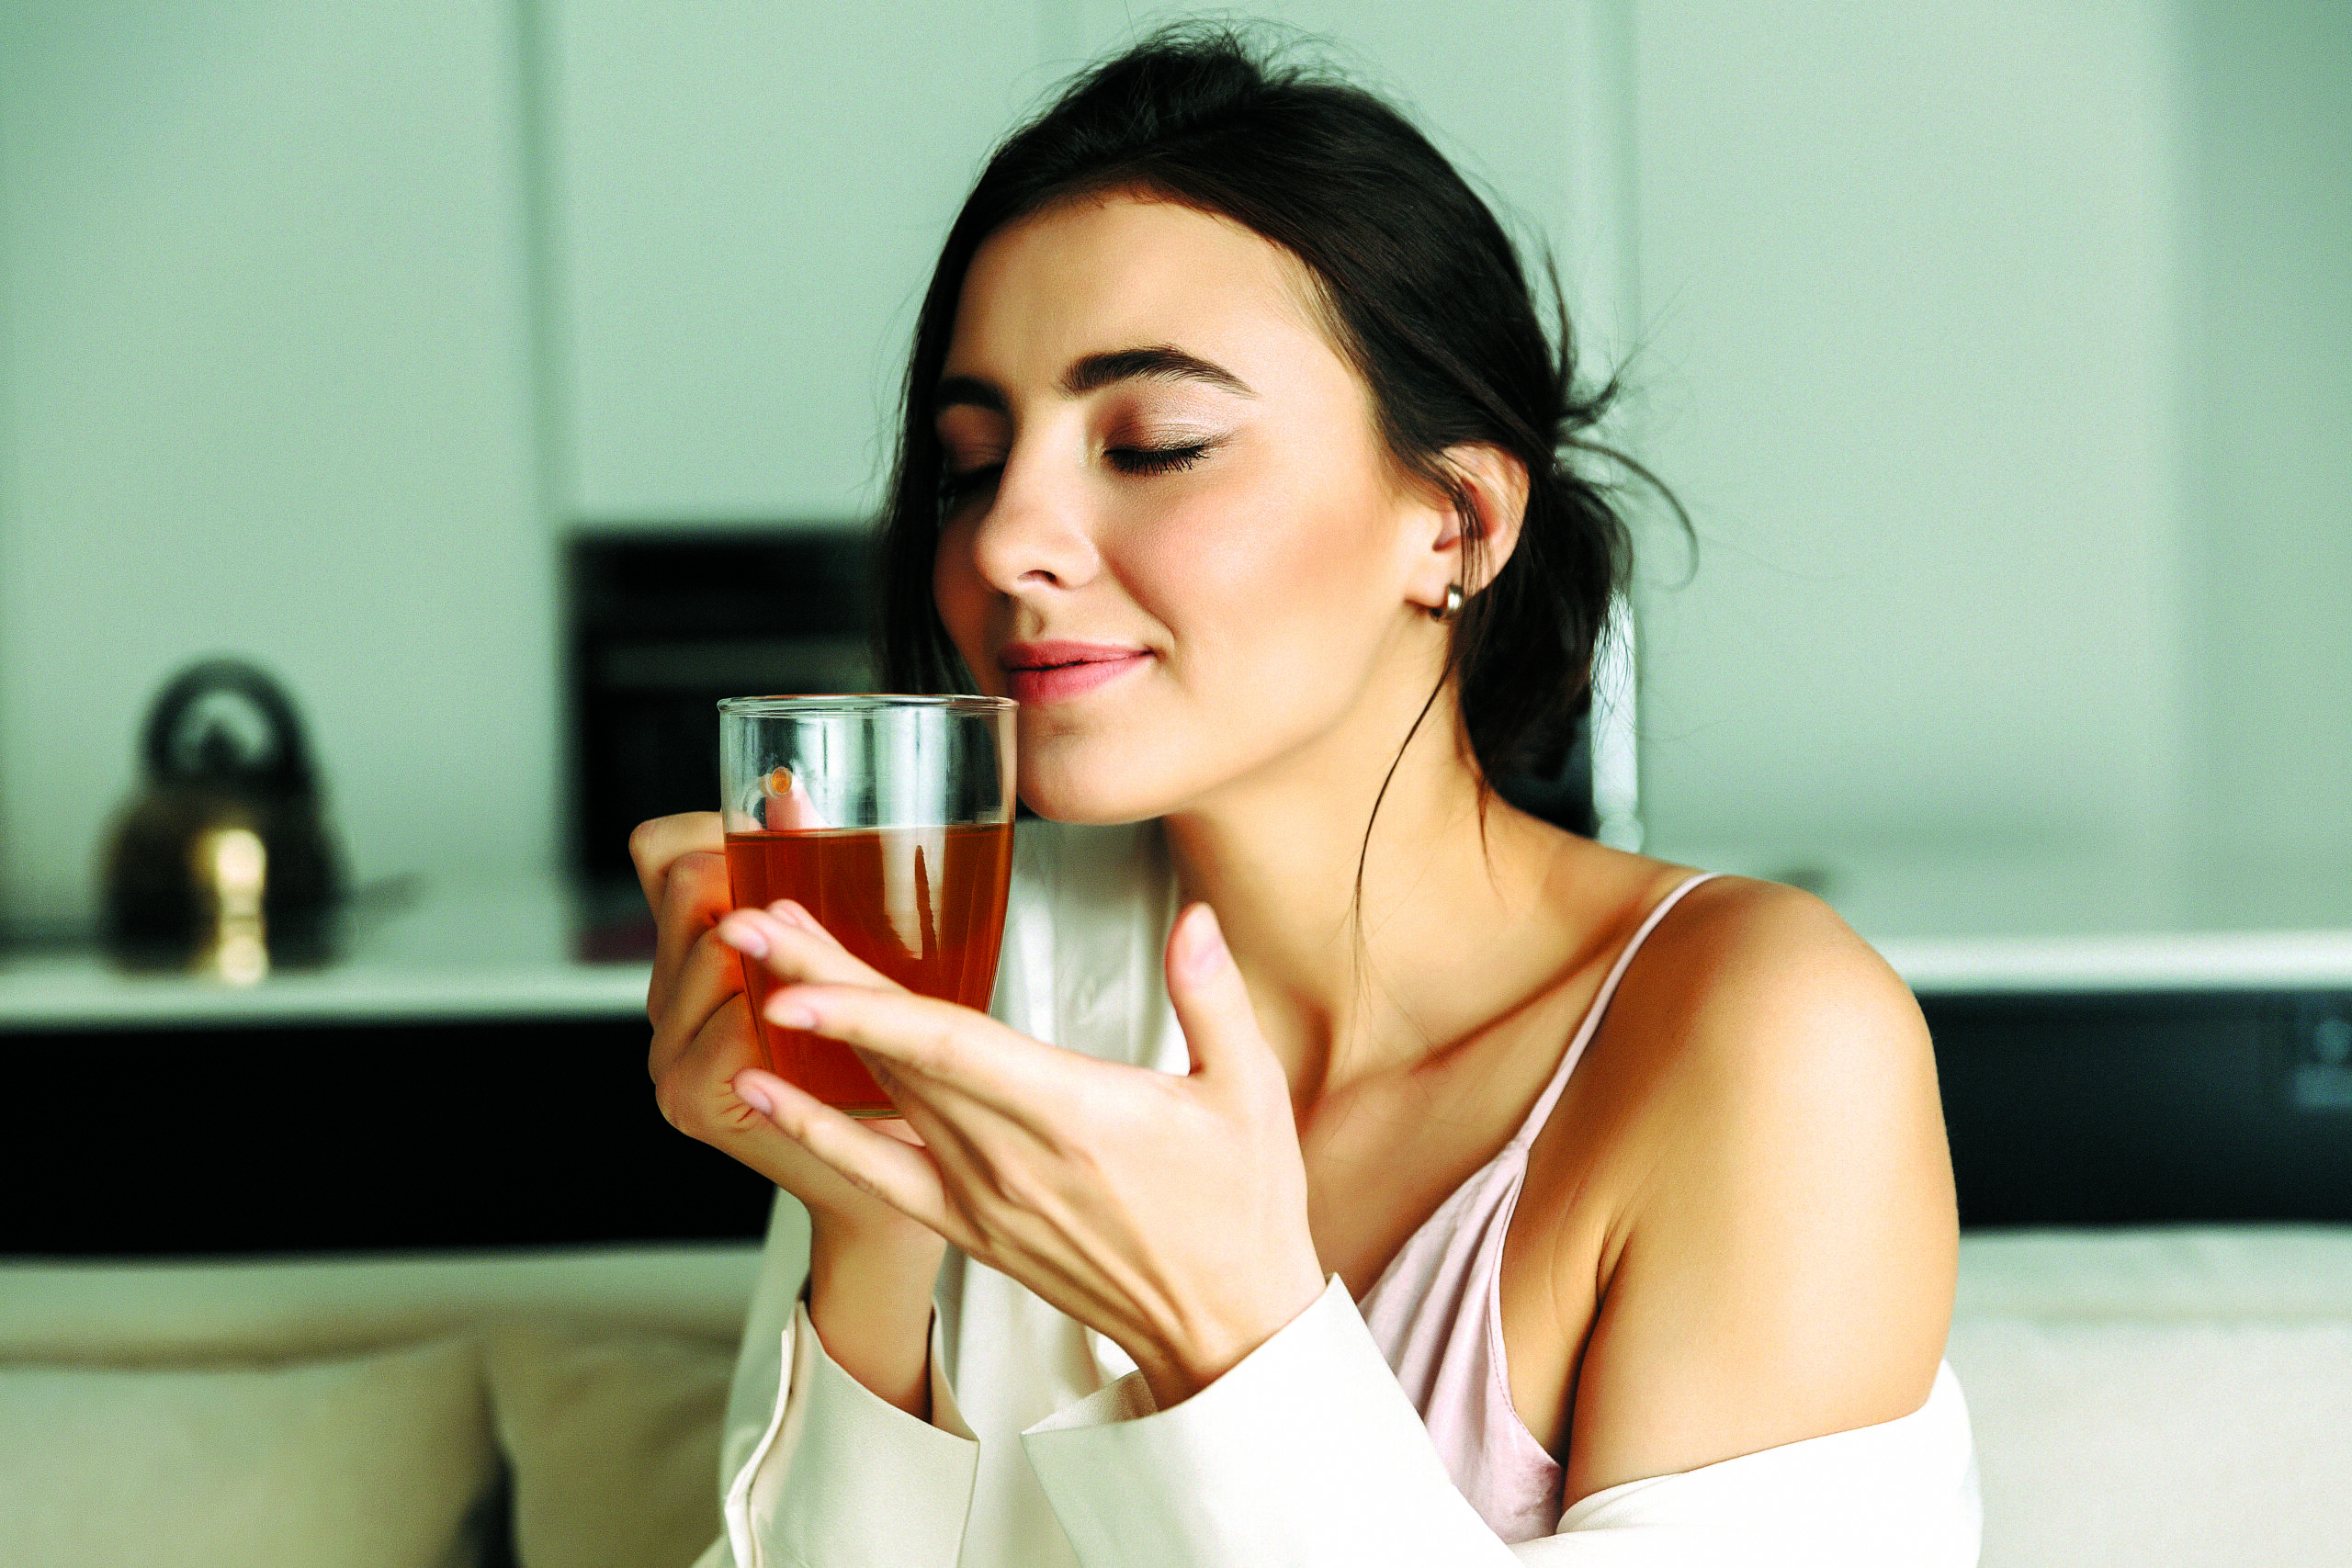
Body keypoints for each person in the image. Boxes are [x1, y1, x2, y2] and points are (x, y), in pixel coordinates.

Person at [633, 25, 1979, 1568]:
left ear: (1455, 521)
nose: (1009, 542)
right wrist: (866, 1229)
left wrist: (1231, 1346)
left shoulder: (1764, 1043)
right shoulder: (965, 973)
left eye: (1155, 445)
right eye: (967, 467)